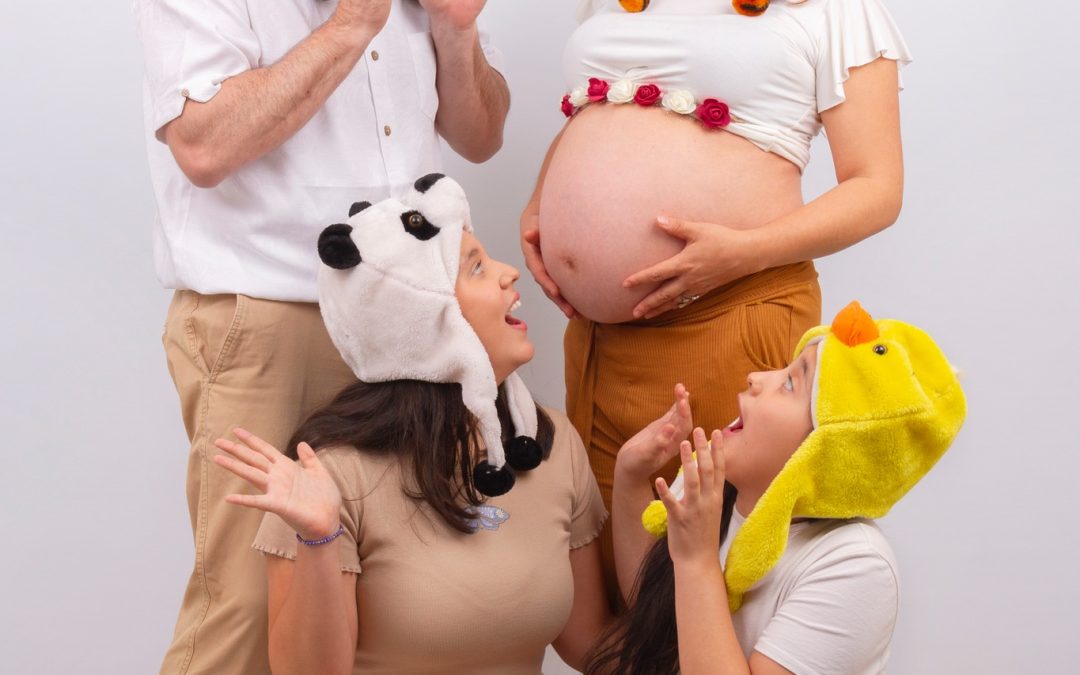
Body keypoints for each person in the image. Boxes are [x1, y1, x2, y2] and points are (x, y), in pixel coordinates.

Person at [133, 1, 510, 672]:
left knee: (399, 599)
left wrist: (456, 31)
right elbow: (204, 144)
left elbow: (482, 136)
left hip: (412, 322)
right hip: (275, 320)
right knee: (251, 606)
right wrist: (353, 22)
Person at [519, 0, 911, 599]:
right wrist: (541, 198)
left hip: (731, 310)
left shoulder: (836, 9)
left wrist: (745, 251)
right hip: (599, 338)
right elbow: (604, 99)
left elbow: (877, 188)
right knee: (602, 587)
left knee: (699, 582)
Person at [214, 175, 611, 674]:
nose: (510, 274)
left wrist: (644, 492)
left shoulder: (549, 444)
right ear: (424, 317)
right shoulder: (332, 474)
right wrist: (317, 540)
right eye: (477, 269)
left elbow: (591, 645)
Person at [588, 301, 966, 674]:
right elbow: (655, 614)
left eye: (790, 383)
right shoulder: (719, 492)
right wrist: (631, 478)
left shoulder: (856, 566)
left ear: (826, 453)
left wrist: (696, 560)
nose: (756, 377)